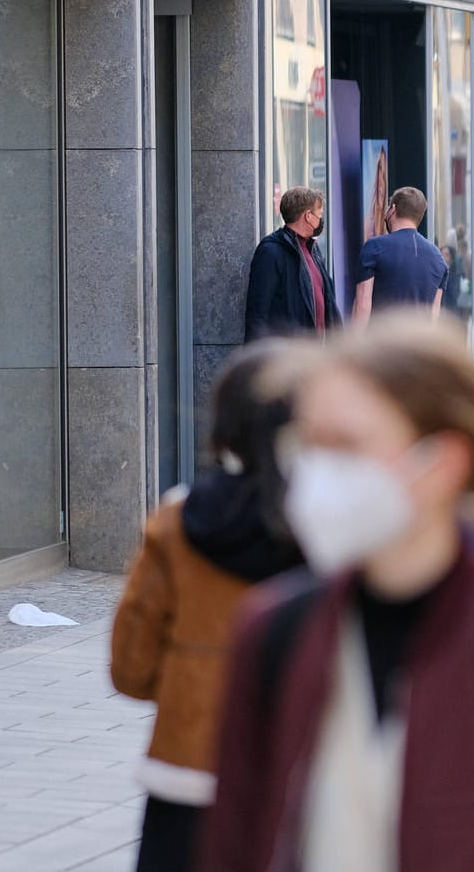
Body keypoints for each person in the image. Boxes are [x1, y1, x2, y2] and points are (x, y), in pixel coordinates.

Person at [201, 316, 474, 872]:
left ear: (443, 462)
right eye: (308, 442)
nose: (315, 471)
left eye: (346, 445)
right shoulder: (271, 634)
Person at [112, 343, 309, 871]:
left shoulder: (176, 523)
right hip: (303, 780)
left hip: (187, 772)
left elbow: (130, 668)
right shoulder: (331, 529)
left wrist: (192, 679)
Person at [244, 187, 341, 341]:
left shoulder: (313, 249)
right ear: (308, 216)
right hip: (289, 354)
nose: (321, 220)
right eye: (319, 214)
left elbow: (328, 301)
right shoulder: (271, 251)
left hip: (317, 354)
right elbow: (257, 313)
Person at [354, 187, 448, 327]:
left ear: (392, 209)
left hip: (380, 344)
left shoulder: (374, 248)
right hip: (418, 345)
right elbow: (434, 317)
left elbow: (362, 307)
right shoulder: (438, 259)